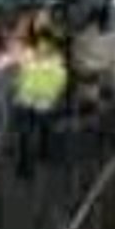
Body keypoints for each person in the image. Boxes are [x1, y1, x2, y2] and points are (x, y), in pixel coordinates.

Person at [11, 15, 68, 179]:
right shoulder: (50, 49)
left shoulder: (27, 48)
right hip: (42, 96)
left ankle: (27, 165)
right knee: (42, 128)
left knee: (27, 132)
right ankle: (44, 156)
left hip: (28, 95)